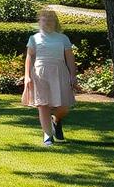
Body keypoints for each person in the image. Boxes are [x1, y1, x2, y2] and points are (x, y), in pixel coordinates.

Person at [24, 9, 77, 145]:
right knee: (43, 104)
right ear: (39, 21)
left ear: (55, 22)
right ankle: (47, 135)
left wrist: (73, 75)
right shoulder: (34, 38)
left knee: (64, 105)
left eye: (50, 19)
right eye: (44, 19)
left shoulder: (63, 38)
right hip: (40, 72)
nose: (47, 22)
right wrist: (27, 76)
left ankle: (56, 120)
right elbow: (29, 57)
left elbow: (70, 58)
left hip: (60, 72)